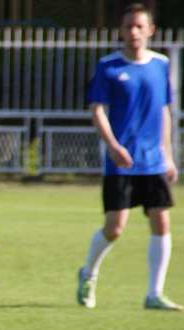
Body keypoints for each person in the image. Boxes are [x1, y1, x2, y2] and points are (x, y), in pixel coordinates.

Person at [77, 3, 180, 311]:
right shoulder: (109, 66)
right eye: (128, 27)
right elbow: (96, 109)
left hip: (154, 160)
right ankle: (88, 273)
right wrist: (112, 145)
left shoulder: (161, 65)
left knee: (161, 220)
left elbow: (164, 112)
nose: (133, 32)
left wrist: (170, 156)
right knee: (115, 228)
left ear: (150, 30)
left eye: (139, 26)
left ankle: (154, 294)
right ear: (121, 31)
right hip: (120, 162)